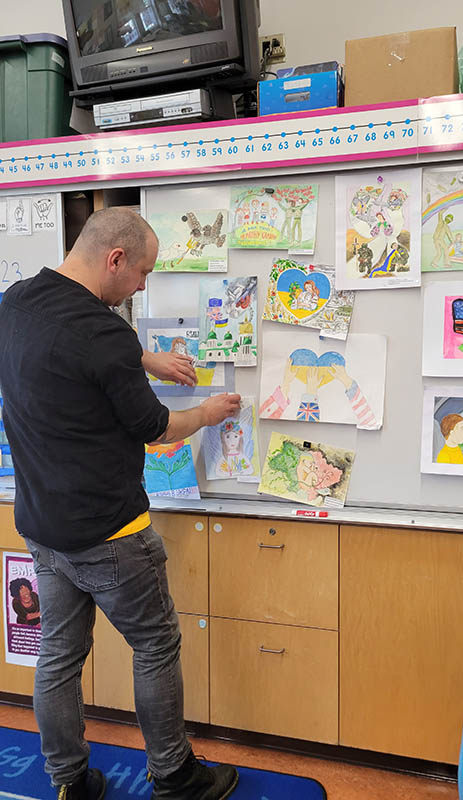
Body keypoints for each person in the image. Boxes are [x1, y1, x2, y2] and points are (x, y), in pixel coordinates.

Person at [0, 207, 241, 800]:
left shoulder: (16, 302)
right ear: (114, 259)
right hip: (110, 534)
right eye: (141, 273)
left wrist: (144, 357)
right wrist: (208, 413)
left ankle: (71, 783)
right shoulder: (104, 332)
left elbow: (69, 351)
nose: (141, 286)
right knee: (155, 644)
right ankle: (174, 776)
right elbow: (156, 427)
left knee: (57, 655)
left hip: (41, 526)